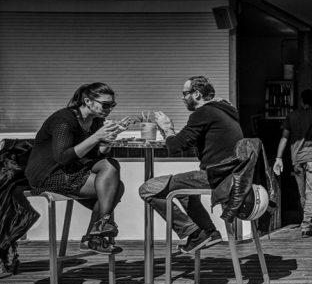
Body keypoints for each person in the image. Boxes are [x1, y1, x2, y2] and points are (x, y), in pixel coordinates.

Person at [139, 76, 242, 254]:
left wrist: (167, 128)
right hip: (229, 174)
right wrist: (172, 133)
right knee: (184, 190)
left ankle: (194, 232)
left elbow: (174, 147)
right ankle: (208, 232)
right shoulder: (222, 111)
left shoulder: (203, 113)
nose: (182, 98)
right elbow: (186, 140)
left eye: (185, 93)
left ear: (197, 94)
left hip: (217, 176)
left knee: (148, 189)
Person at [25, 83, 128, 254]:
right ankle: (95, 236)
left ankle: (100, 227)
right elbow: (62, 157)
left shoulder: (95, 121)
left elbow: (94, 155)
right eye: (105, 105)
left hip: (73, 169)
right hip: (48, 174)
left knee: (111, 166)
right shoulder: (64, 120)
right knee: (115, 188)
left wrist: (108, 139)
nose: (109, 109)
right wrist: (96, 137)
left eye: (112, 105)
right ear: (87, 101)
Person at [273, 89, 312, 237]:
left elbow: (284, 138)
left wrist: (278, 158)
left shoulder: (292, 116)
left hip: (297, 161)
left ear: (301, 101)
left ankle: (308, 221)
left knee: (303, 195)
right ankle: (307, 225)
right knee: (311, 194)